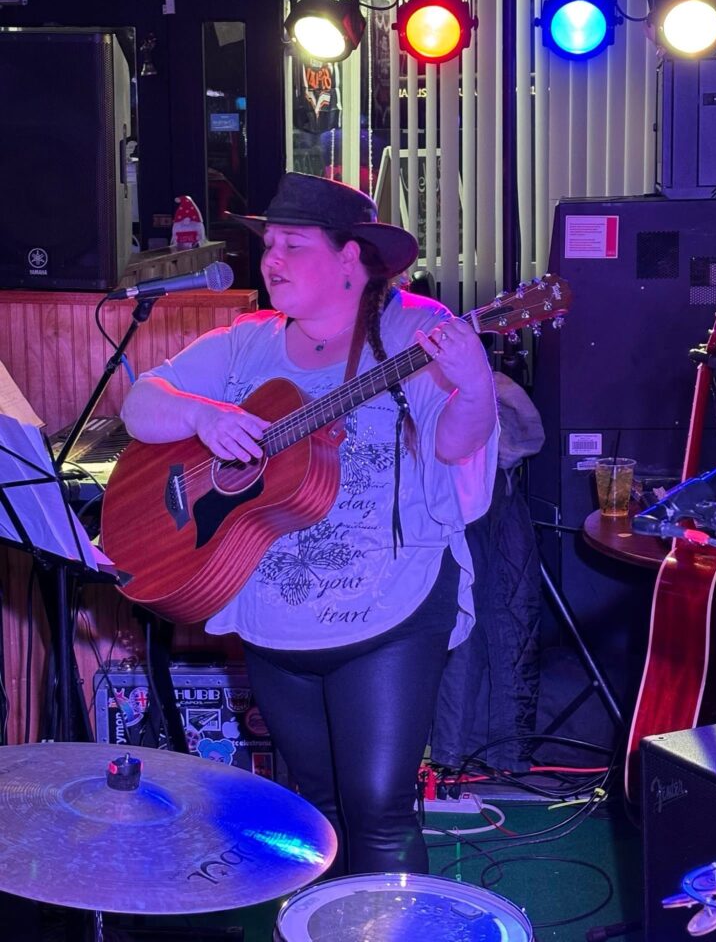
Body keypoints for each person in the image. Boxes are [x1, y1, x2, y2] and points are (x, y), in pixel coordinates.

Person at [120, 172, 498, 877]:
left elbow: (454, 442)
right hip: (273, 613)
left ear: (351, 259)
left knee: (379, 806)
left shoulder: (413, 331)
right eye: (270, 244)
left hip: (389, 608)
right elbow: (142, 403)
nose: (273, 259)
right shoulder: (245, 344)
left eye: (294, 244)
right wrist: (205, 415)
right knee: (316, 806)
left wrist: (474, 383)